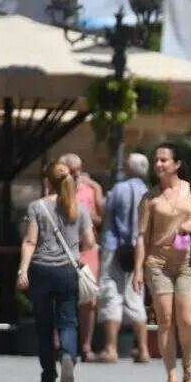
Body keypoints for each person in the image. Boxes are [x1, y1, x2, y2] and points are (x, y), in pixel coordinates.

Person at [131, 143, 191, 382]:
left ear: (176, 164)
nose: (158, 164)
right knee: (165, 320)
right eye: (156, 160)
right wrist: (137, 269)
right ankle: (171, 376)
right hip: (157, 264)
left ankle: (187, 360)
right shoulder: (150, 198)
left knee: (188, 321)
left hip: (187, 264)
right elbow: (142, 237)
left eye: (164, 160)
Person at [17, 161, 96, 382]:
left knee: (43, 324)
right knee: (68, 320)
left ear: (47, 182)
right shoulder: (80, 208)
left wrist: (23, 270)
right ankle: (68, 355)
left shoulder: (37, 207)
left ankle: (48, 373)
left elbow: (30, 241)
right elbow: (90, 242)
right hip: (67, 270)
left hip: (41, 270)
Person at [98, 153, 151, 364]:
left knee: (112, 294)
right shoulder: (149, 193)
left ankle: (111, 349)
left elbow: (105, 211)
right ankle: (144, 350)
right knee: (135, 297)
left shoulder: (119, 189)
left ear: (129, 168)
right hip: (138, 250)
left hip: (114, 248)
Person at [58, 153, 104, 362]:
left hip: (87, 248)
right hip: (63, 248)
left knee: (89, 299)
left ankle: (86, 347)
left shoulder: (89, 189)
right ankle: (60, 346)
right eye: (72, 170)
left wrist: (94, 189)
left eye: (79, 170)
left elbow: (102, 218)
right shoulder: (55, 188)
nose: (77, 175)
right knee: (60, 296)